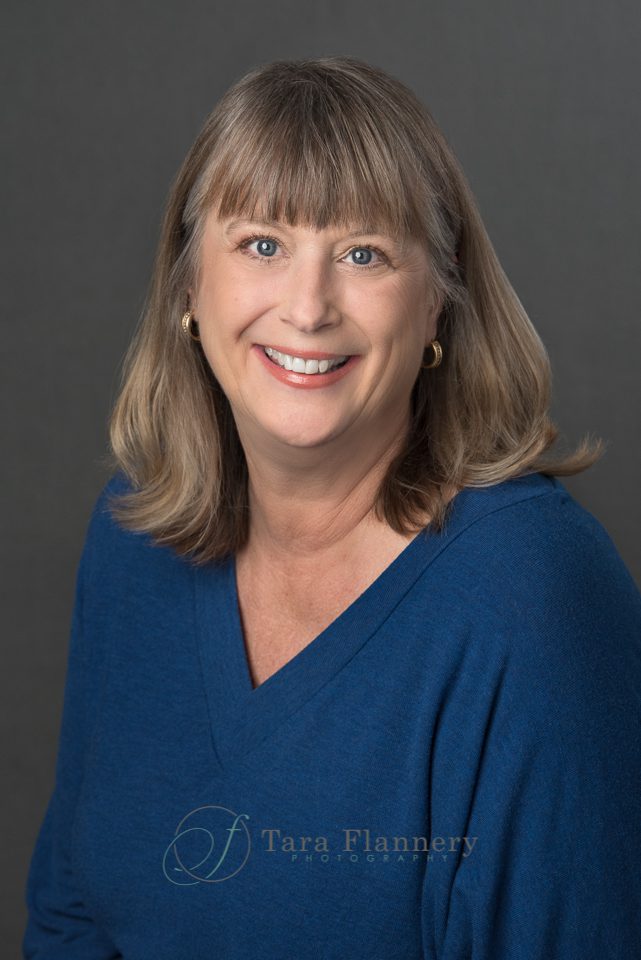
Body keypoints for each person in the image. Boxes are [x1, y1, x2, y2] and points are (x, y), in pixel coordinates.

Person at [23, 55, 641, 960]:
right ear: (189, 284)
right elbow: (72, 920)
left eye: (363, 253)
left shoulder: (532, 599)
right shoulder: (130, 537)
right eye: (262, 244)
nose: (307, 308)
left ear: (437, 301)